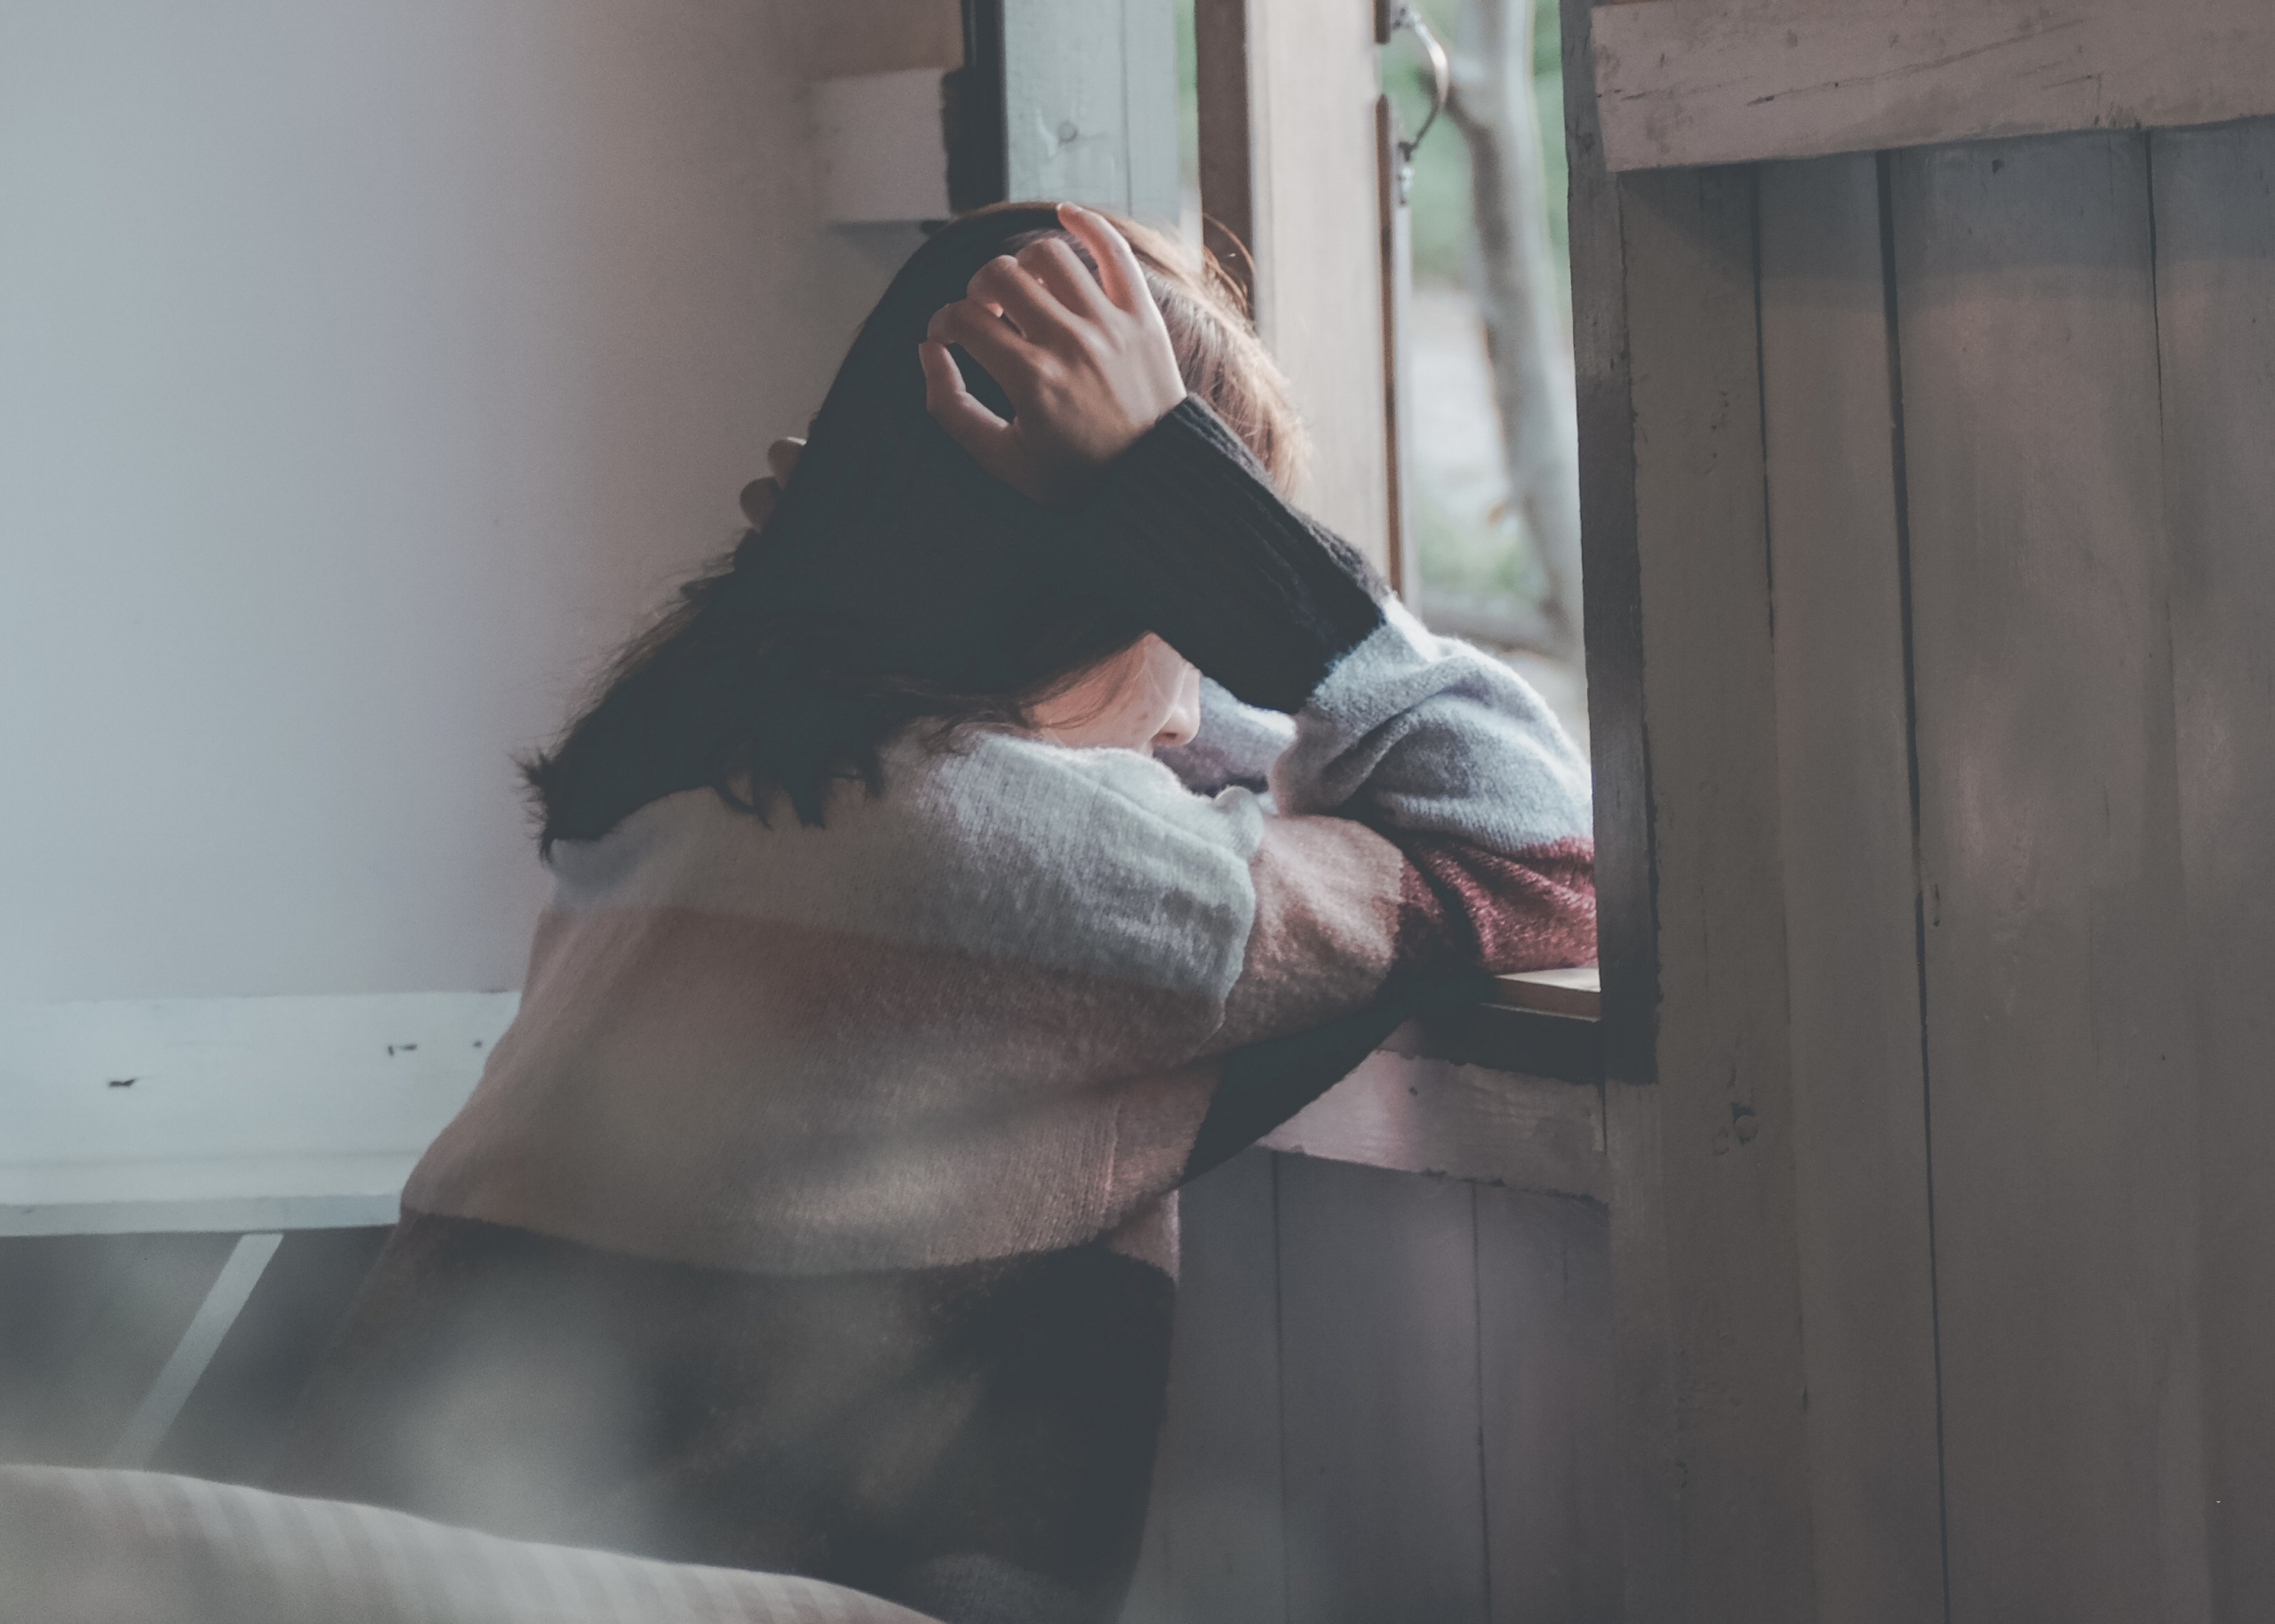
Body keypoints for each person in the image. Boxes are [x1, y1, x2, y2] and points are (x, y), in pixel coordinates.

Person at [272, 202, 1594, 1624]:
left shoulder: (699, 773)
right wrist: (1196, 510)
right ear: (1142, 586)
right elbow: (1541, 844)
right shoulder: (1048, 868)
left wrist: (866, 546)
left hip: (350, 1567)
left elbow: (1183, 752)